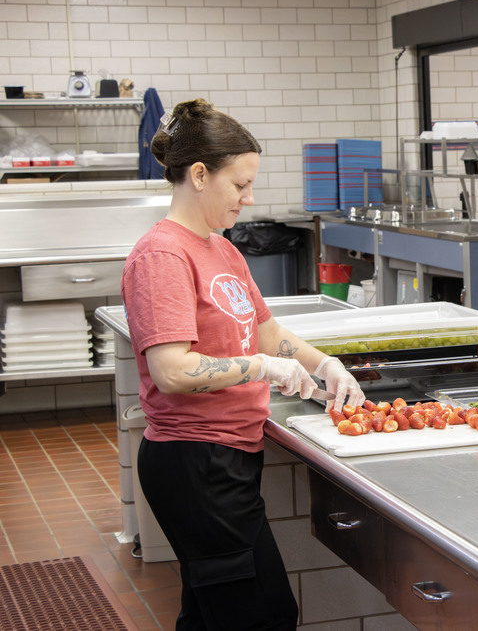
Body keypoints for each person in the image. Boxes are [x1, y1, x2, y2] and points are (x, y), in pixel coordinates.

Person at [121, 98, 365, 630]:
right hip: (195, 463)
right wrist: (259, 368)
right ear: (200, 174)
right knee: (262, 615)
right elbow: (172, 370)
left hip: (228, 457)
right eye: (240, 185)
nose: (249, 198)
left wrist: (326, 364)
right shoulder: (162, 256)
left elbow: (265, 330)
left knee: (214, 615)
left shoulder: (222, 250)